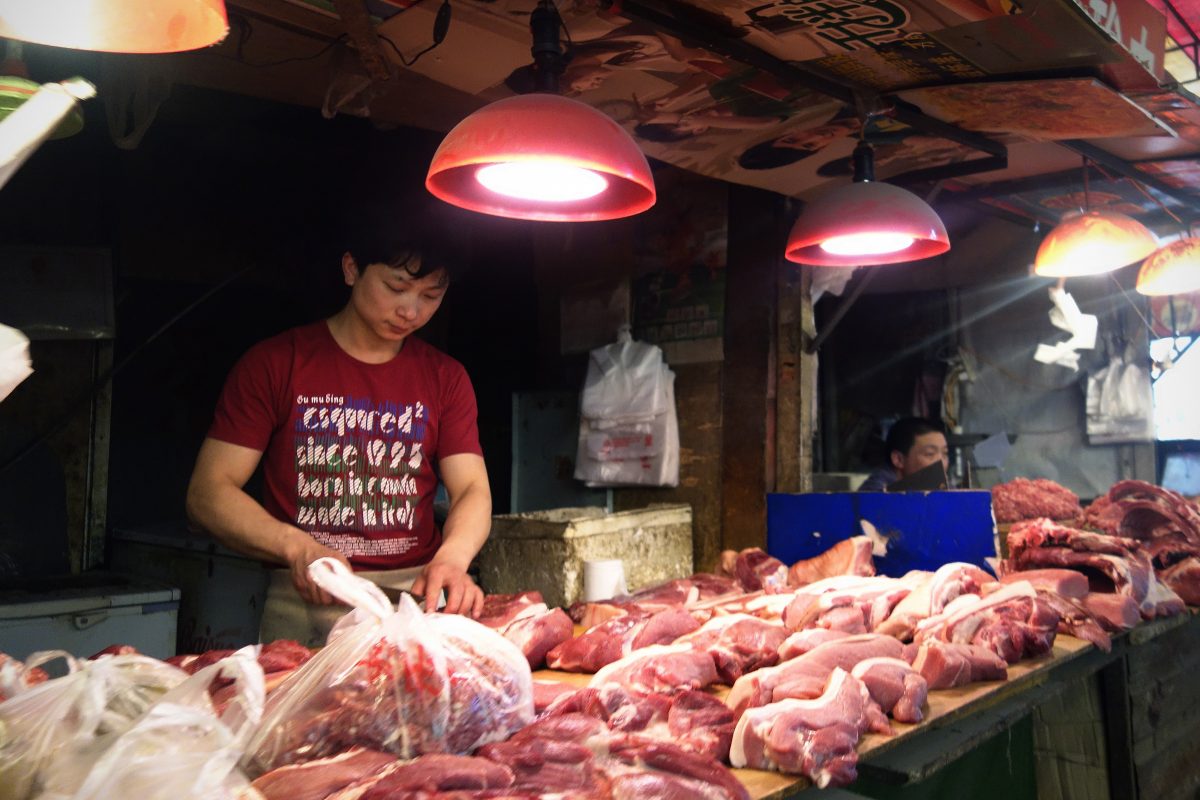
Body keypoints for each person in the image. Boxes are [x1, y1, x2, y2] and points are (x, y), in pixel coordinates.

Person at [185, 230, 491, 647]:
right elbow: (208, 493)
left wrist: (453, 558)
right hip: (308, 598)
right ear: (351, 269)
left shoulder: (446, 378)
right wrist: (296, 547)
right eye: (395, 288)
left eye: (431, 295)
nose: (410, 310)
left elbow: (472, 488)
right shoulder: (276, 364)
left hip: (413, 602)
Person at [858, 417, 949, 492]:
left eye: (945, 453)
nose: (942, 463)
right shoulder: (874, 494)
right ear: (898, 459)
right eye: (930, 454)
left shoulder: (936, 484)